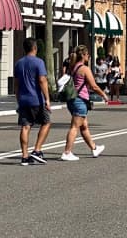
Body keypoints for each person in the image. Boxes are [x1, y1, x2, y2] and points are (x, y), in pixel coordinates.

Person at [61, 45, 109, 161]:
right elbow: (93, 85)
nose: (89, 56)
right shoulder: (84, 69)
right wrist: (104, 95)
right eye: (88, 54)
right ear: (83, 55)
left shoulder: (72, 67)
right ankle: (67, 152)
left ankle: (94, 148)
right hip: (80, 100)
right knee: (74, 127)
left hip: (72, 100)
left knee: (84, 126)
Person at [14, 37, 52, 165]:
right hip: (36, 99)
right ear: (35, 48)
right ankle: (37, 150)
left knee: (25, 127)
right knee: (46, 122)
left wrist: (18, 99)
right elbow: (42, 80)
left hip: (23, 100)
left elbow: (17, 84)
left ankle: (24, 156)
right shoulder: (39, 62)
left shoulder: (18, 63)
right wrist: (47, 98)